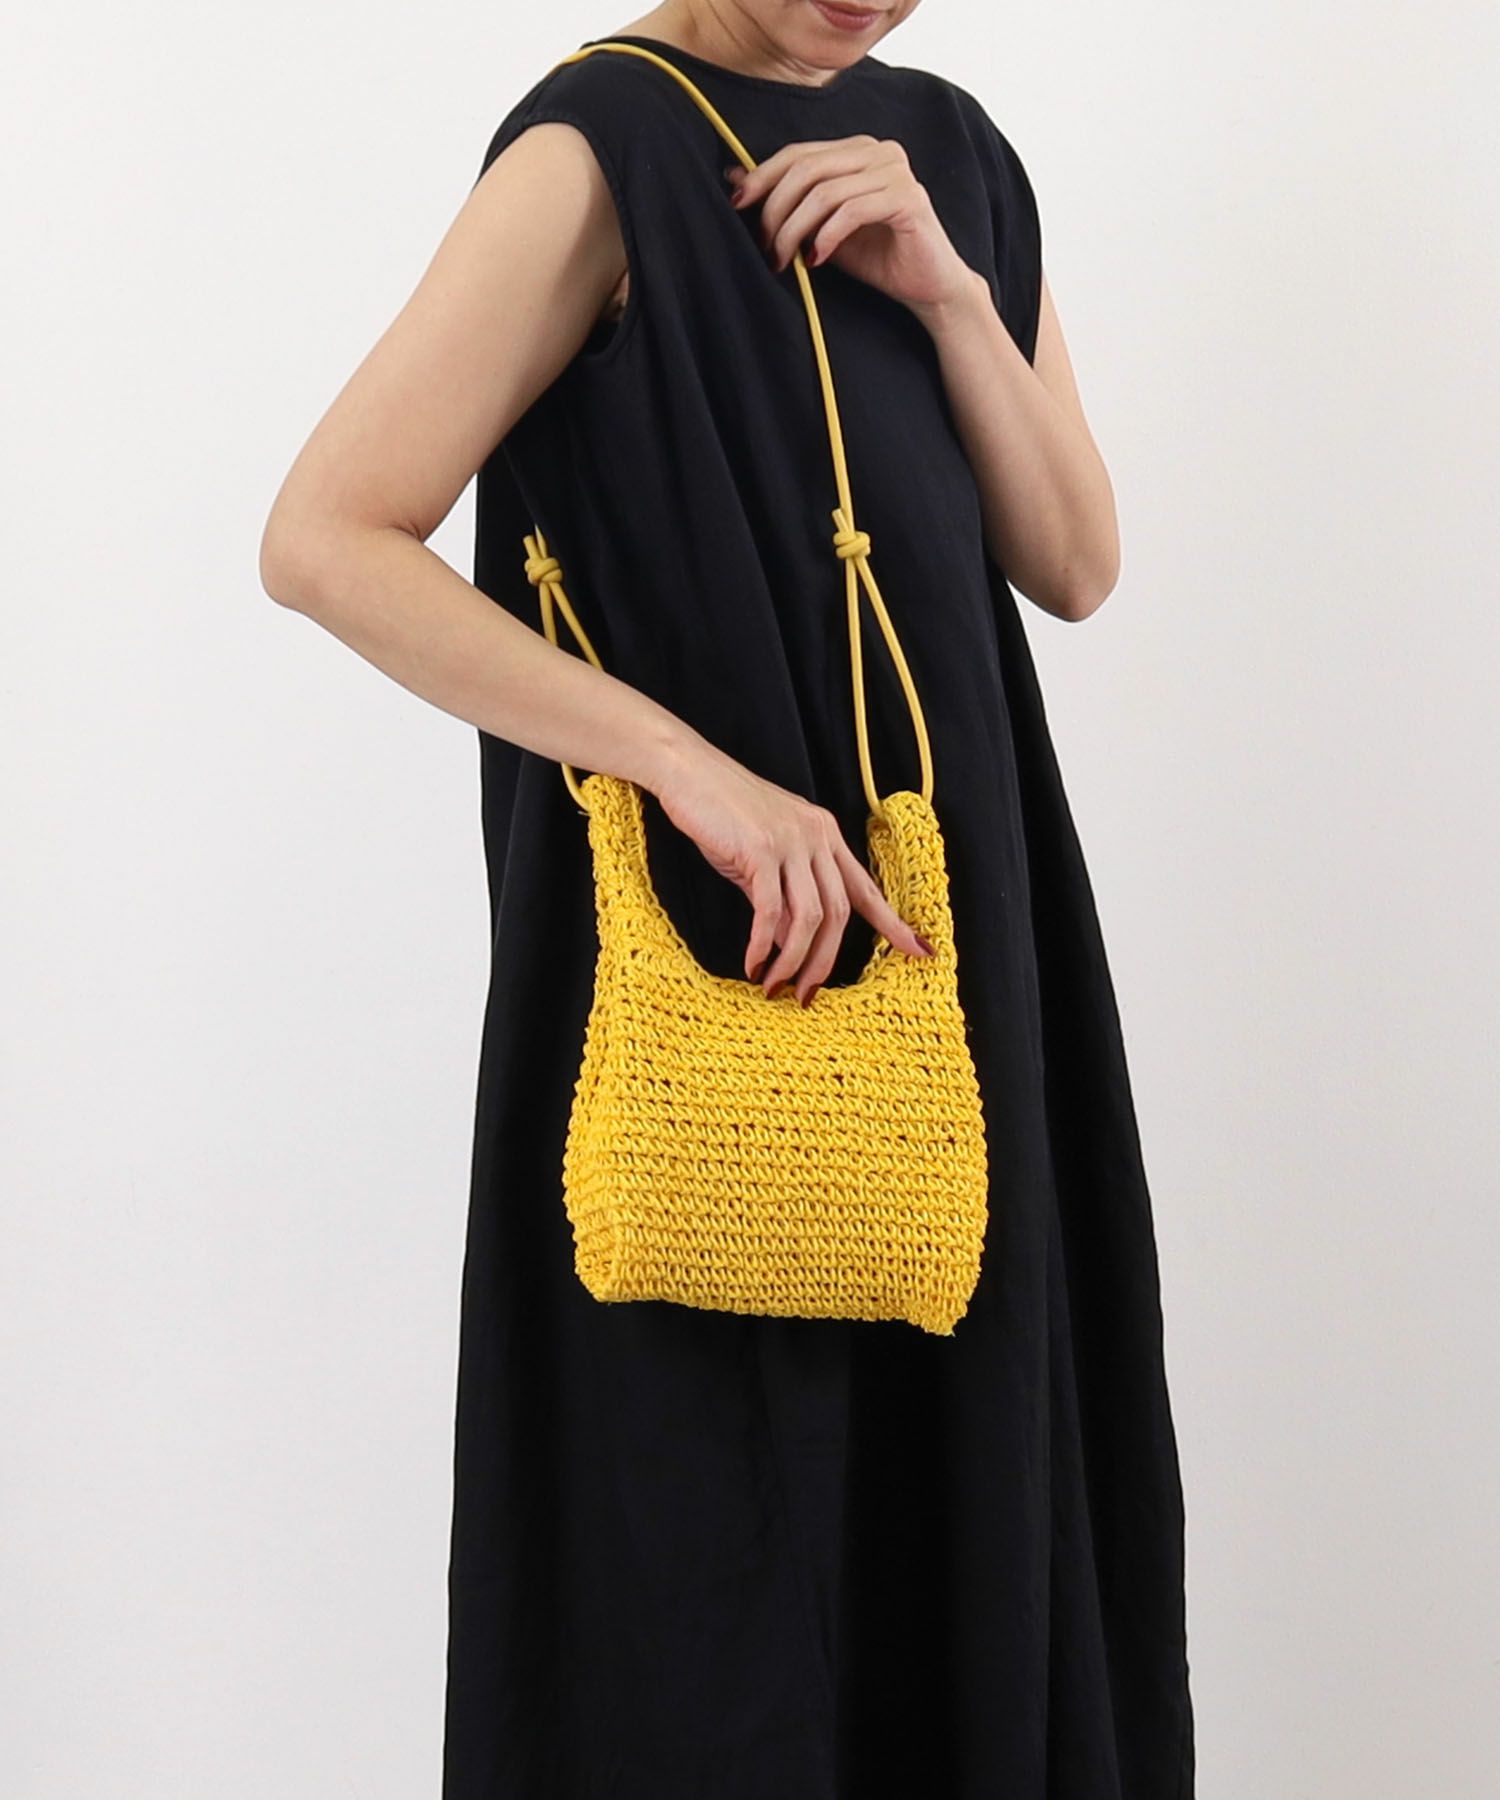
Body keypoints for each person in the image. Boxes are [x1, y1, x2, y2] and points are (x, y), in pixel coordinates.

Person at [259, 3, 1196, 1794]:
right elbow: (325, 537)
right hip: (711, 954)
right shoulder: (597, 150)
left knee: (954, 1498)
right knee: (708, 1533)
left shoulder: (950, 155)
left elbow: (1075, 561)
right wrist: (689, 771)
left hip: (947, 946)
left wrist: (949, 292)